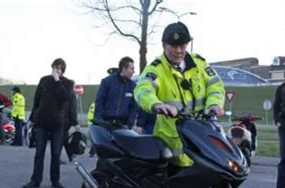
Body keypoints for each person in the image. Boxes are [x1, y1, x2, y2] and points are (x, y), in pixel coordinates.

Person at [134, 21, 225, 168]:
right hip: (172, 144)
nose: (178, 51)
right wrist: (156, 104)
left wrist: (214, 103)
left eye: (182, 46)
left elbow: (215, 85)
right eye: (173, 46)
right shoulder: (156, 69)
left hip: (202, 139)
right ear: (164, 45)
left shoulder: (200, 63)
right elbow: (143, 89)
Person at [23, 58, 74, 188]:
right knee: (39, 152)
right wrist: (32, 118)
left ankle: (55, 180)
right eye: (54, 67)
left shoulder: (68, 83)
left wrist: (57, 81)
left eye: (59, 68)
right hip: (42, 122)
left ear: (63, 70)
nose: (56, 70)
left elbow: (65, 98)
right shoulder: (44, 80)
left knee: (56, 153)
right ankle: (35, 180)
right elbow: (37, 100)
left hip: (58, 123)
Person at [94, 57, 138, 128]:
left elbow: (133, 107)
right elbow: (99, 101)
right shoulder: (107, 82)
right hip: (105, 124)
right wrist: (99, 120)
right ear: (124, 69)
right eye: (131, 69)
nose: (133, 71)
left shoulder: (133, 86)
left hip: (123, 126)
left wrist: (129, 124)